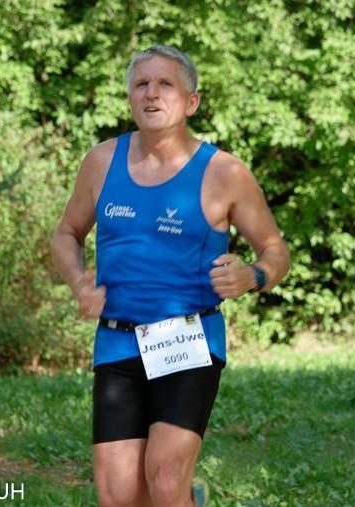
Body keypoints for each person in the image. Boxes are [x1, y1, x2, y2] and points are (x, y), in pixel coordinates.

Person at [50, 45, 290, 507]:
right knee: (120, 498)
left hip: (187, 339)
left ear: (191, 101)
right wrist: (79, 281)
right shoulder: (101, 161)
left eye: (165, 84)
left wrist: (253, 276)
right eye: (141, 84)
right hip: (118, 339)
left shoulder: (224, 172)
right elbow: (66, 234)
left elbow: (275, 250)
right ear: (129, 98)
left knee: (164, 481)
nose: (152, 94)